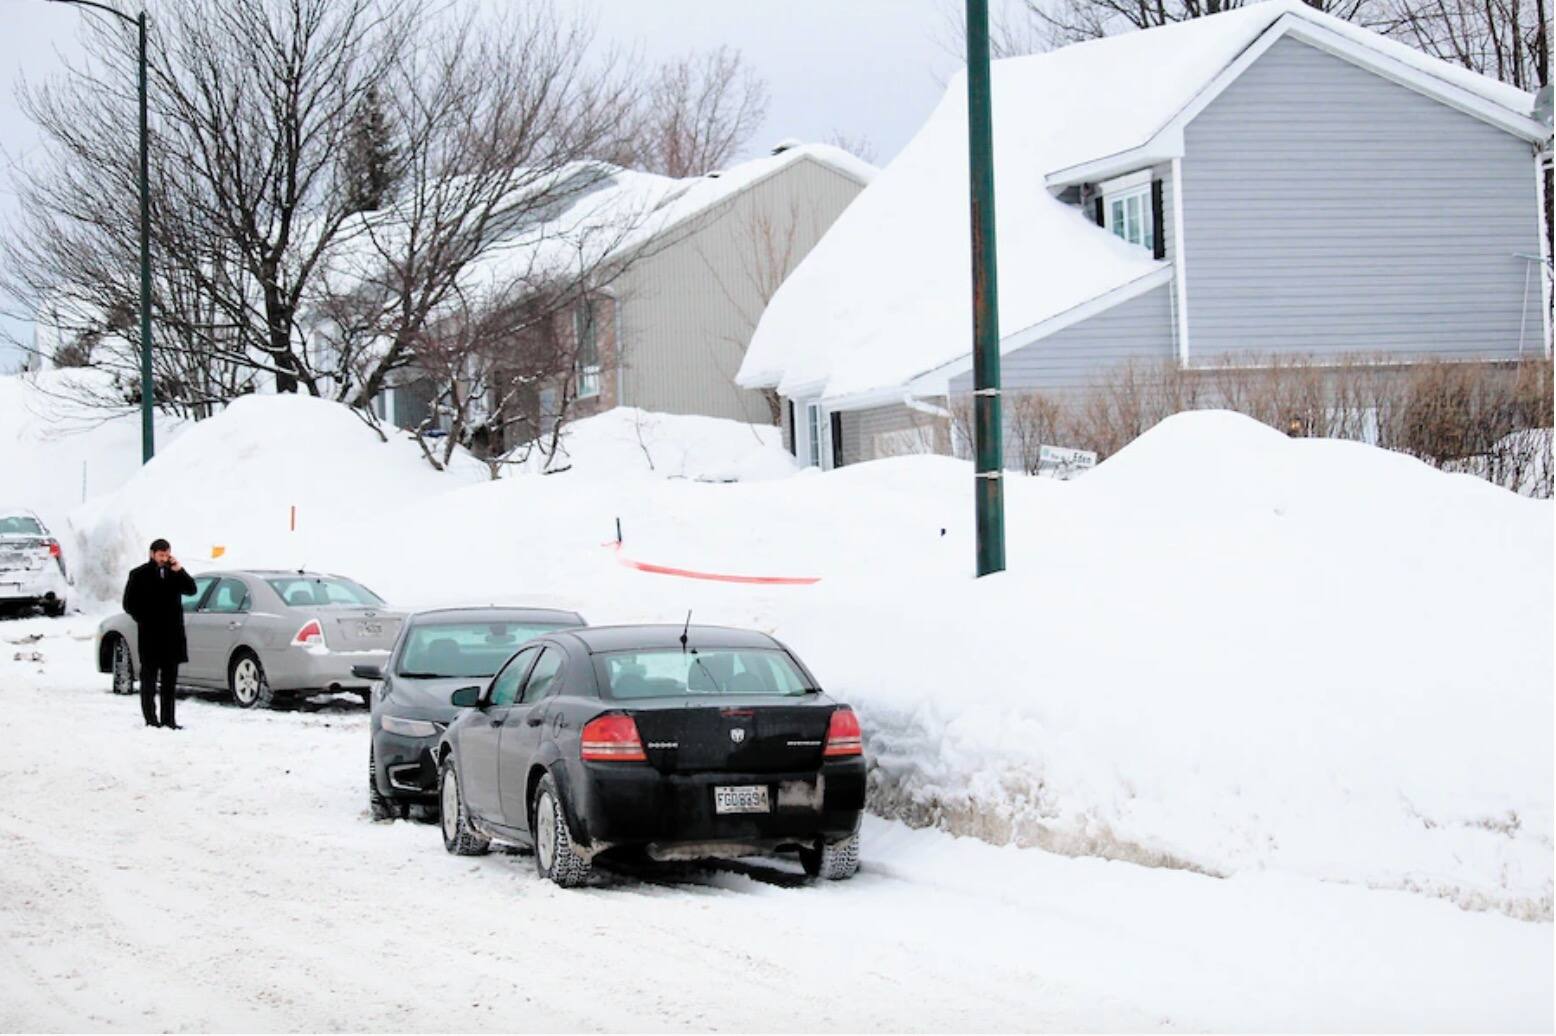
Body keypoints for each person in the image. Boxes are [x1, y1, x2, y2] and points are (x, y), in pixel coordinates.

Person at [122, 538, 197, 730]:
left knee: (169, 682)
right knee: (149, 680)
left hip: (172, 636)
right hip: (150, 636)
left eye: (166, 554)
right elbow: (128, 603)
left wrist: (179, 570)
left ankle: (169, 720)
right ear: (152, 554)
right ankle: (150, 719)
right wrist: (144, 619)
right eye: (160, 554)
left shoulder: (174, 574)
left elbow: (191, 589)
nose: (164, 558)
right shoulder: (139, 574)